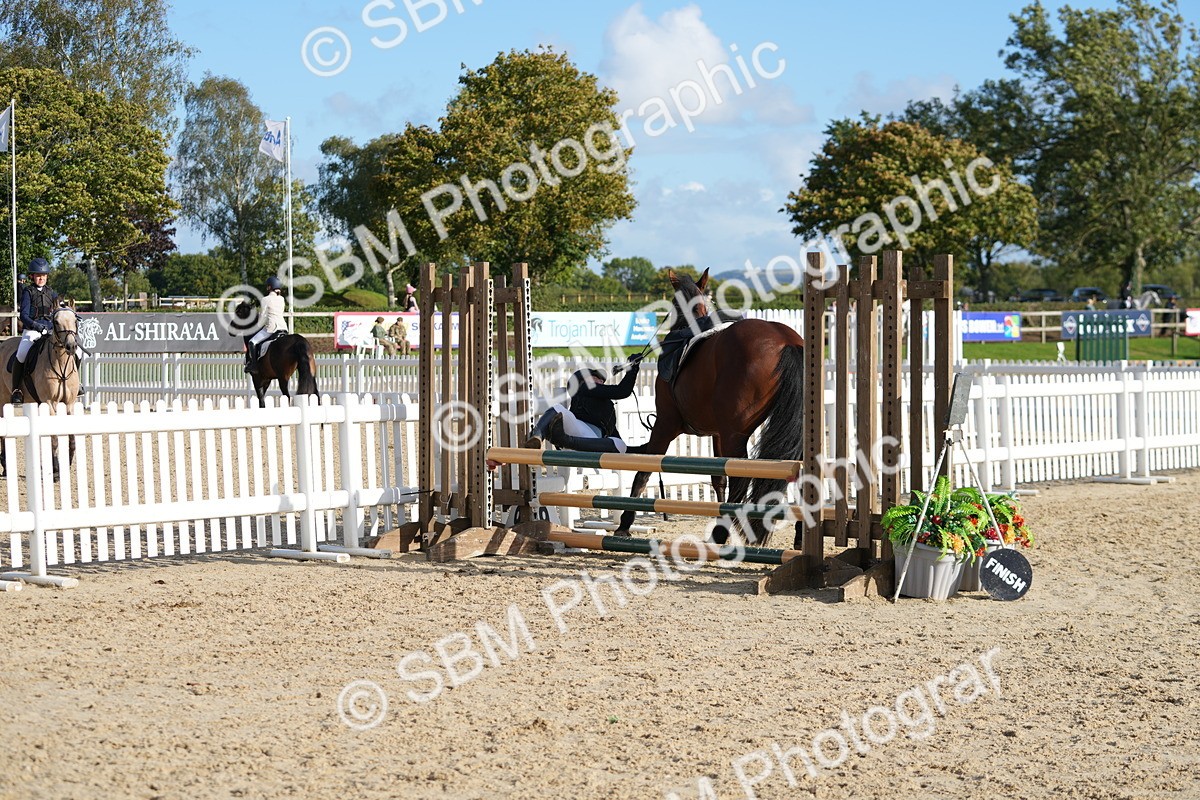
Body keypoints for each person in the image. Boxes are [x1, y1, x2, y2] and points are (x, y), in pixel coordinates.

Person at [524, 356, 642, 453]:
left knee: (620, 444)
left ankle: (564, 440)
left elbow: (620, 445)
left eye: (602, 380)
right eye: (595, 378)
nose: (601, 381)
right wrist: (633, 368)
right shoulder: (585, 388)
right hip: (578, 429)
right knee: (558, 408)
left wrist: (643, 449)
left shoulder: (608, 409)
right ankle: (537, 438)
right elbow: (622, 391)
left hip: (590, 442)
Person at [11, 257, 59, 404]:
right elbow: (23, 316)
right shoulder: (28, 292)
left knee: (74, 350)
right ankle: (16, 390)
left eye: (43, 275)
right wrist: (36, 325)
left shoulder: (51, 292)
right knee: (21, 354)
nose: (41, 278)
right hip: (32, 331)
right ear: (32, 276)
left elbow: (59, 308)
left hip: (50, 330)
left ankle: (75, 383)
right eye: (38, 275)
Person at [244, 276, 287, 374]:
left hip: (271, 328)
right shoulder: (282, 299)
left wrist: (258, 326)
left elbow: (263, 317)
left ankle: (254, 366)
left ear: (270, 287)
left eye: (267, 286)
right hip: (284, 328)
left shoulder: (265, 299)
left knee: (252, 342)